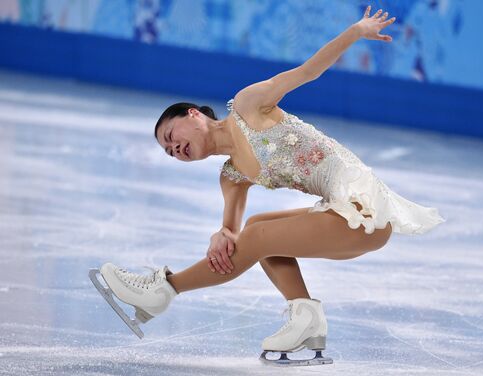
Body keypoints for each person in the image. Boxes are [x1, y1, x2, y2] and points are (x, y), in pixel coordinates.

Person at [92, 5, 445, 366]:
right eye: (169, 152)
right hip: (343, 217)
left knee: (258, 237)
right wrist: (221, 234)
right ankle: (306, 318)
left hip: (363, 210)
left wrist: (356, 31)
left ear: (194, 114)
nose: (174, 149)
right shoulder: (231, 176)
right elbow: (232, 237)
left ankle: (165, 289)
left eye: (171, 135)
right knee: (257, 228)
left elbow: (309, 71)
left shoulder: (248, 105)